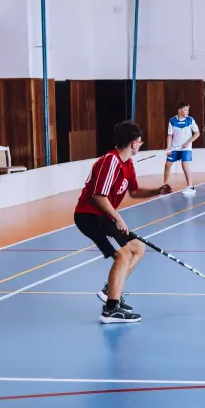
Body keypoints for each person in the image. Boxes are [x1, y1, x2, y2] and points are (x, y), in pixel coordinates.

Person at [74, 120, 169, 324]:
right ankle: (110, 310)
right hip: (89, 215)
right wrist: (118, 218)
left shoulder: (127, 164)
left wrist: (157, 191)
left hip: (102, 215)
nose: (140, 145)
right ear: (134, 143)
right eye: (140, 142)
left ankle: (112, 290)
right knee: (123, 255)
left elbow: (134, 191)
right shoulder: (111, 161)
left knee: (138, 248)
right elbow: (99, 196)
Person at [163, 102, 200, 197]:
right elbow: (170, 136)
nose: (187, 112)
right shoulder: (172, 121)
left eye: (188, 110)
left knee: (184, 165)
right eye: (185, 110)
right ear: (179, 110)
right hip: (175, 148)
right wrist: (168, 147)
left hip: (186, 148)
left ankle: (190, 187)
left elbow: (197, 133)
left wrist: (188, 142)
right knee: (167, 164)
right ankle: (165, 185)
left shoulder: (190, 120)